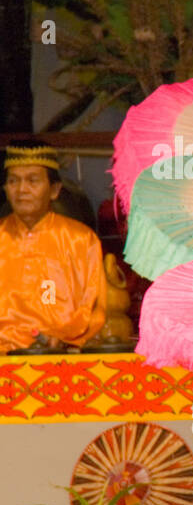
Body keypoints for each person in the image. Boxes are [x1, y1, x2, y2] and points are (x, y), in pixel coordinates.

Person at [1, 145, 108, 354]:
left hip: (62, 357)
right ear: (5, 189)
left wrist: (63, 337)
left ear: (54, 190)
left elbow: (95, 307)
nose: (22, 189)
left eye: (33, 180)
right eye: (13, 181)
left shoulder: (81, 240)